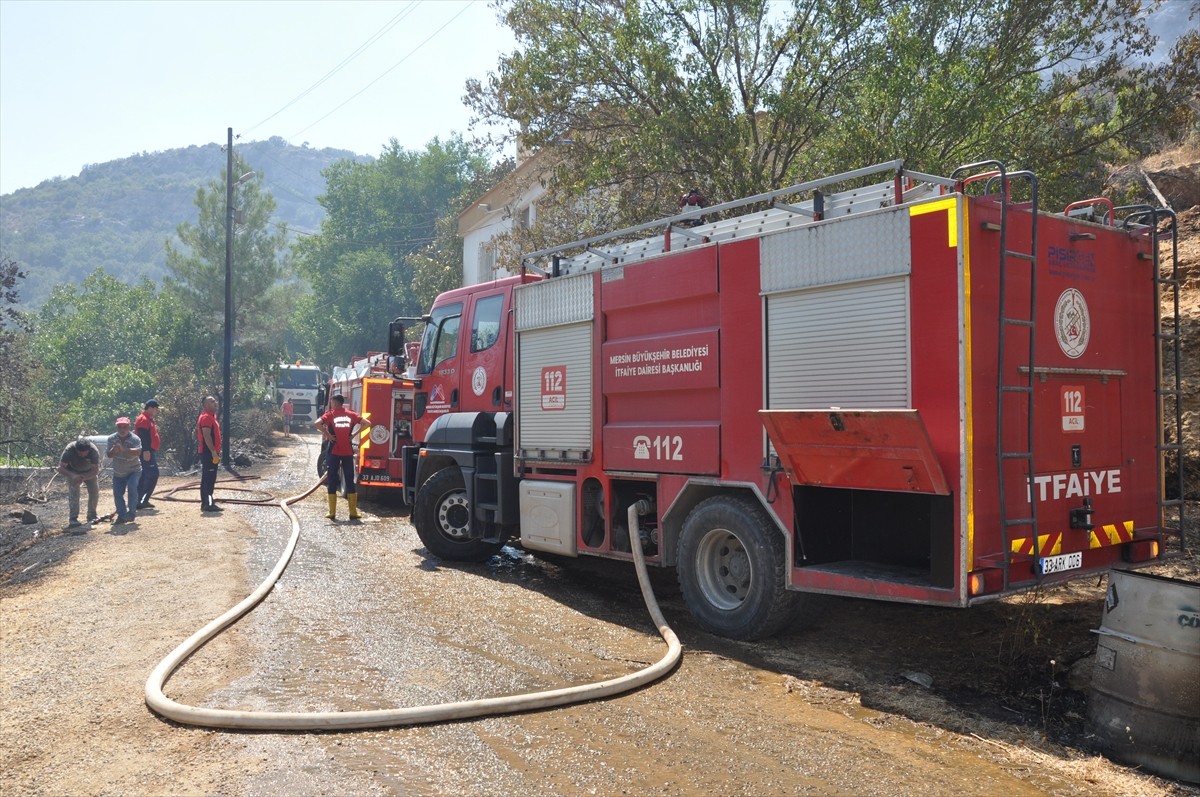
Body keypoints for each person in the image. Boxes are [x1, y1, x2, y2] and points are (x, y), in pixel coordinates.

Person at [315, 393, 365, 520]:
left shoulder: (330, 414)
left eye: (332, 402)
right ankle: (353, 513)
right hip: (347, 451)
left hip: (333, 451)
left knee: (332, 479)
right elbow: (367, 423)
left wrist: (328, 434)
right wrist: (354, 434)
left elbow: (317, 423)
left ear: (335, 403)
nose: (331, 404)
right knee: (349, 479)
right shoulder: (351, 414)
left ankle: (332, 512)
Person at [57, 437, 100, 528]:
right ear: (76, 449)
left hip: (89, 472)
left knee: (94, 492)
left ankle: (92, 516)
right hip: (73, 471)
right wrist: (73, 476)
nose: (82, 455)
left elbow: (95, 471)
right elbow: (60, 468)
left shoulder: (94, 451)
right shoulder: (69, 450)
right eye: (80, 453)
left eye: (85, 453)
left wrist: (84, 477)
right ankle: (73, 518)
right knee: (74, 494)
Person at [106, 416, 142, 524]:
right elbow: (109, 454)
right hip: (118, 472)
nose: (122, 430)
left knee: (132, 488)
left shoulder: (135, 438)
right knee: (117, 493)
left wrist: (123, 449)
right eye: (119, 427)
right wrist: (114, 450)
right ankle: (122, 515)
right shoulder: (111, 438)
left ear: (129, 427)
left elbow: (138, 452)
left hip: (133, 470)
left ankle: (131, 513)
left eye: (125, 427)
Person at [197, 395, 223, 513]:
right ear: (206, 405)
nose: (215, 403)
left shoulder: (212, 417)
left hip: (211, 452)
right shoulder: (206, 417)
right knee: (209, 478)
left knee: (208, 478)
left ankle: (206, 503)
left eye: (215, 401)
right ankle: (208, 503)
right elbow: (207, 436)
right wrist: (213, 452)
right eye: (212, 402)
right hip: (208, 453)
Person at [135, 399, 161, 509]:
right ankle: (140, 500)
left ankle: (140, 500)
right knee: (152, 475)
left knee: (146, 476)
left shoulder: (149, 419)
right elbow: (143, 436)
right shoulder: (143, 419)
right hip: (146, 451)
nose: (156, 411)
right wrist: (146, 451)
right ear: (150, 408)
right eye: (155, 409)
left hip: (149, 451)